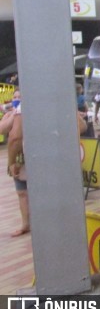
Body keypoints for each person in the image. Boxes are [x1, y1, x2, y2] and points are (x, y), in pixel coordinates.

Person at [0, 90, 29, 237]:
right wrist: (12, 116)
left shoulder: (26, 110)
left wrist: (12, 162)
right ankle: (26, 224)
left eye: (20, 97)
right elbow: (2, 129)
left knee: (31, 191)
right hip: (17, 157)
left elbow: (15, 137)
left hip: (24, 157)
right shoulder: (13, 113)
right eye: (15, 97)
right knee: (21, 192)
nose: (17, 99)